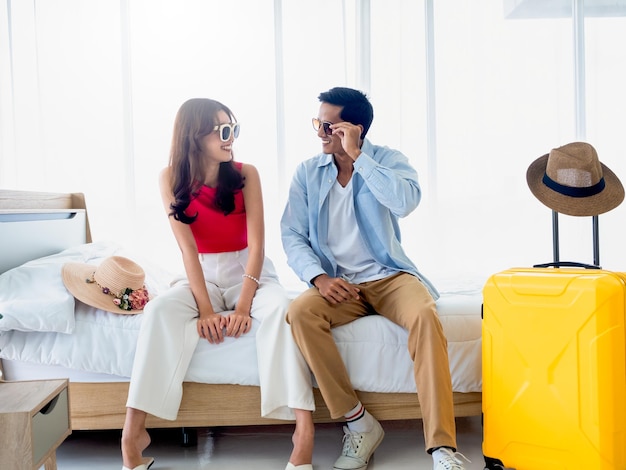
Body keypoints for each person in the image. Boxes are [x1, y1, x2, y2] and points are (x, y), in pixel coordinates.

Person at [121, 98, 315, 470]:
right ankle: (133, 432)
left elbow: (258, 246)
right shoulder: (169, 178)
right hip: (202, 274)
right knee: (160, 310)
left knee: (281, 312)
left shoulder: (246, 174)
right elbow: (188, 250)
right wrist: (206, 310)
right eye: (223, 131)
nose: (231, 138)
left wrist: (243, 305)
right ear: (195, 137)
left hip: (249, 269)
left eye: (233, 129)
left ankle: (302, 429)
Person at [280, 87, 469, 470]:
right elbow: (292, 234)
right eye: (317, 123)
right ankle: (358, 422)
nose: (319, 132)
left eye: (328, 125)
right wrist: (318, 278)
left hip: (390, 277)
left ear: (355, 128)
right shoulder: (308, 173)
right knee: (300, 313)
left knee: (425, 317)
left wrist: (359, 158)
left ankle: (442, 449)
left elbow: (404, 203)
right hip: (339, 283)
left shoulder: (387, 161)